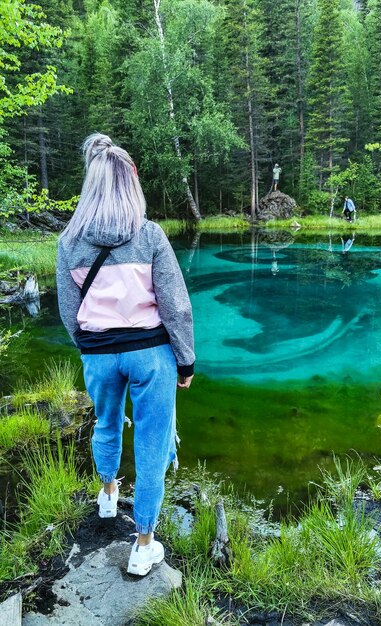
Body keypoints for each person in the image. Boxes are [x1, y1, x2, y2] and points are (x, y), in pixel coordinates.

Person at [56, 133, 194, 577]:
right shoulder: (150, 235)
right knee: (152, 443)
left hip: (99, 354)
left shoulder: (68, 243)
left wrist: (90, 349)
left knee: (107, 421)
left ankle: (109, 494)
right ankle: (144, 544)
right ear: (130, 186)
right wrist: (186, 360)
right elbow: (176, 305)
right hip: (151, 355)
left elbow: (68, 311)